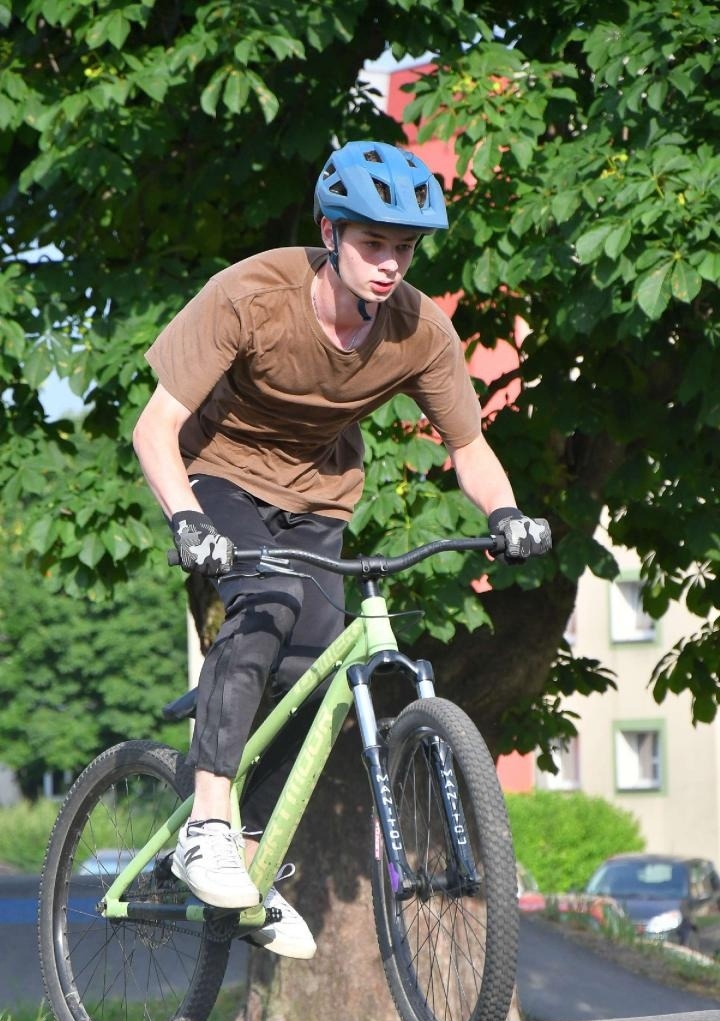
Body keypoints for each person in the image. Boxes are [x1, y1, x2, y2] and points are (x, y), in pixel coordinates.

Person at [133, 140, 551, 960]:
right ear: (330, 233)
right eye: (372, 243)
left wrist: (506, 513)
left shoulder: (418, 329)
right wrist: (187, 521)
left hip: (320, 498)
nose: (390, 263)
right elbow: (156, 427)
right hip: (219, 475)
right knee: (268, 606)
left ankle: (250, 865)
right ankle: (206, 830)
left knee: (312, 671)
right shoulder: (252, 296)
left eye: (405, 248)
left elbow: (469, 446)